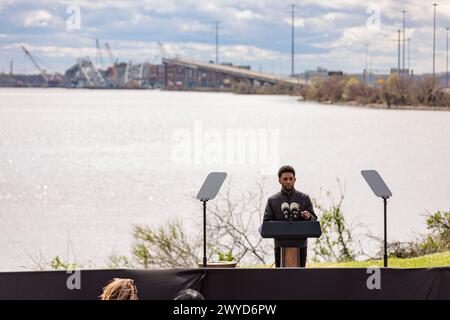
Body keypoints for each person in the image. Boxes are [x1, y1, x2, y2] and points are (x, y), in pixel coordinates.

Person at [263, 165, 317, 268]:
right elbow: (266, 223)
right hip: (280, 245)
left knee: (300, 277)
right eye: (285, 179)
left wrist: (308, 217)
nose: (288, 181)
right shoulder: (272, 200)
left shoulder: (304, 198)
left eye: (291, 179)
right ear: (279, 180)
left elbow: (314, 220)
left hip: (301, 245)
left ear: (295, 180)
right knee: (280, 278)